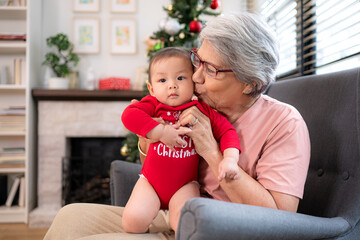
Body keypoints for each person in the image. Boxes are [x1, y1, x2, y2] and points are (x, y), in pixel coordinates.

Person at [44, 12, 310, 240]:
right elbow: (164, 163)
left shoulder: (284, 124)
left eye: (211, 70)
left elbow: (281, 219)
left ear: (251, 82)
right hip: (174, 212)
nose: (195, 77)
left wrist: (213, 152)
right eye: (197, 60)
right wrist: (149, 139)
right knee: (69, 218)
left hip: (216, 228)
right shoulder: (195, 102)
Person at [120, 47, 241, 234]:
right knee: (132, 222)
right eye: (162, 80)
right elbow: (129, 115)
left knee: (184, 226)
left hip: (185, 185)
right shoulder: (153, 106)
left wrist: (230, 159)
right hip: (150, 182)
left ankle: (171, 224)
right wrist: (160, 132)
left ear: (193, 82)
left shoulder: (201, 110)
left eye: (180, 78)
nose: (172, 85)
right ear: (151, 88)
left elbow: (227, 131)